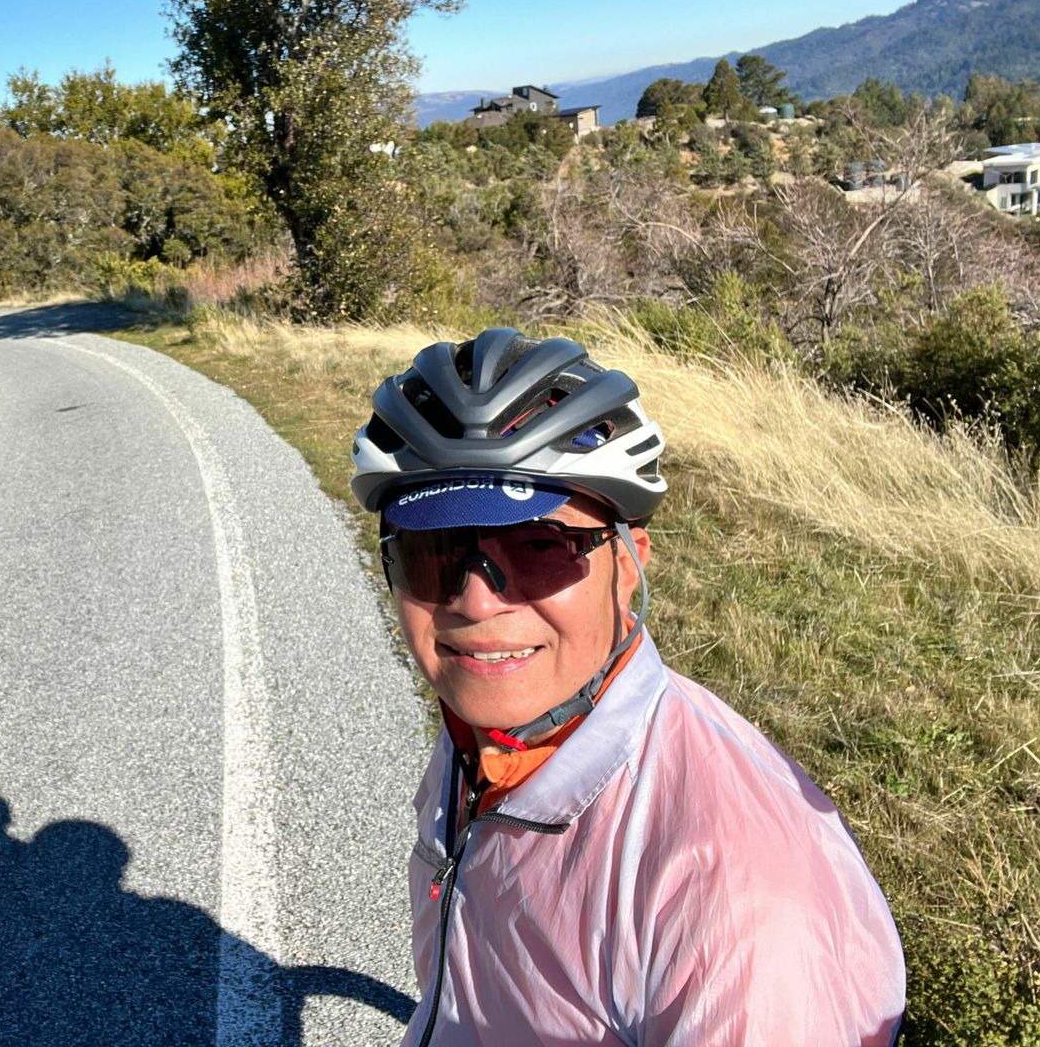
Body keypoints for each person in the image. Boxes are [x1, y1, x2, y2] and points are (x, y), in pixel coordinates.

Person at [351, 328, 905, 1045]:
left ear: (628, 563)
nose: (476, 603)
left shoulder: (730, 903)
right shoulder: (494, 732)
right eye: (432, 554)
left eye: (541, 549)